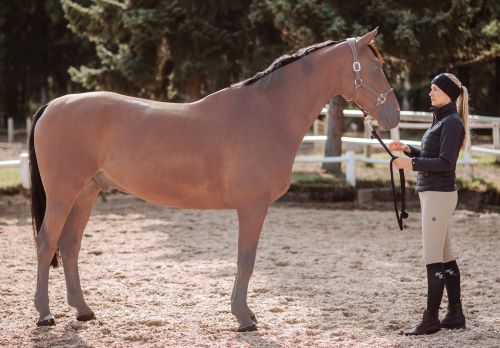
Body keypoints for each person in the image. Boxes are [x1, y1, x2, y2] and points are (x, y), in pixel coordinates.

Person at [389, 73, 468, 336]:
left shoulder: (452, 122)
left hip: (438, 195)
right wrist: (412, 151)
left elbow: (446, 163)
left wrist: (409, 165)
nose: (430, 93)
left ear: (447, 93)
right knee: (445, 256)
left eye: (434, 89)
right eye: (430, 89)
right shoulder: (443, 120)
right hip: (436, 195)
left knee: (432, 258)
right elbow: (434, 156)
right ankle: (455, 314)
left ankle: (430, 319)